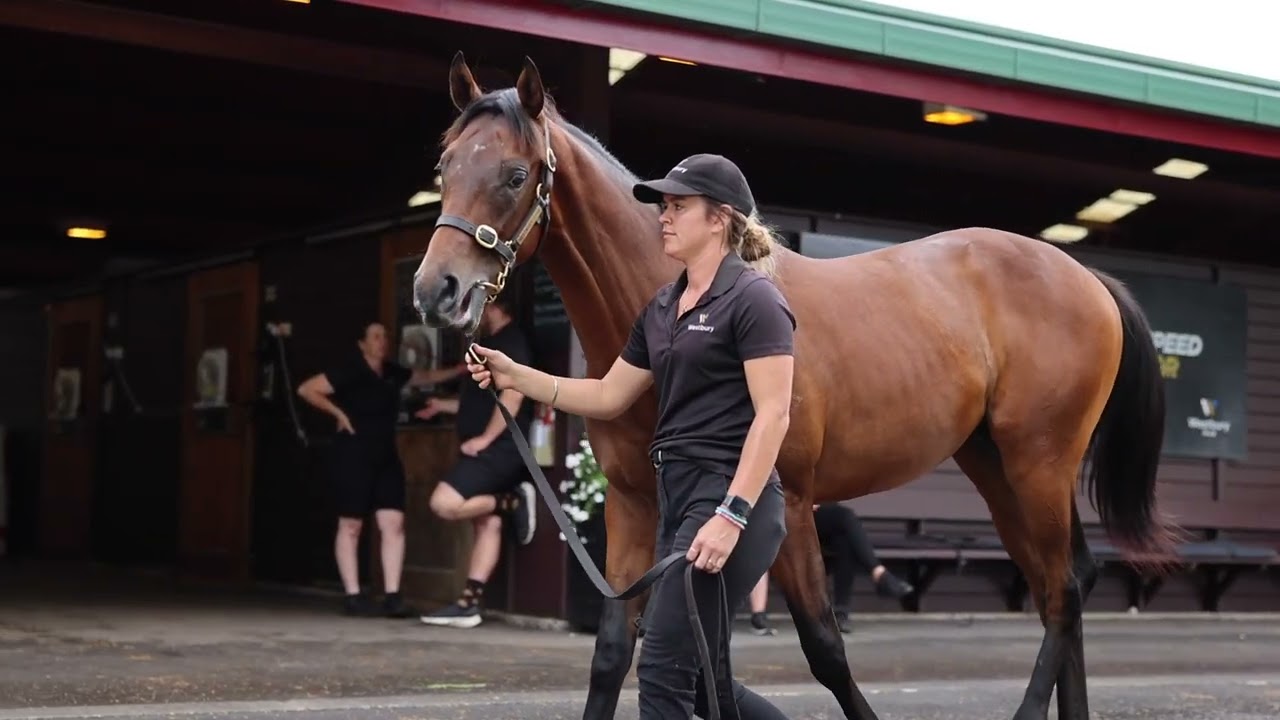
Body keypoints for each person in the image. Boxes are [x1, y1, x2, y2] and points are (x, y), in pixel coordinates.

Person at [465, 153, 793, 720]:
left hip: (731, 501)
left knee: (662, 668)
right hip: (677, 498)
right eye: (663, 206)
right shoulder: (663, 307)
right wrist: (515, 376)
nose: (663, 217)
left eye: (678, 206)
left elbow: (775, 415)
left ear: (719, 218)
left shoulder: (754, 299)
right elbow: (608, 394)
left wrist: (731, 514)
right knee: (703, 685)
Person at [298, 321, 467, 618]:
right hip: (353, 454)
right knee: (351, 525)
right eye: (375, 336)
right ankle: (352, 596)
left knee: (393, 523)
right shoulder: (349, 371)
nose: (382, 341)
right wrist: (338, 413)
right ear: (362, 344)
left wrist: (460, 370)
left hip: (386, 456)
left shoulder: (391, 372)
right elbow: (307, 389)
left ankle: (392, 596)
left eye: (385, 336)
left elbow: (424, 376)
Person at [416, 293, 538, 629]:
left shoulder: (511, 341)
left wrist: (485, 439)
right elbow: (477, 403)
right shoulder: (490, 342)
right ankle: (468, 604)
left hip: (498, 449)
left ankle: (511, 501)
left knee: (444, 503)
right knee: (487, 523)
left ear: (494, 304)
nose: (469, 313)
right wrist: (440, 407)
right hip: (489, 448)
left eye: (475, 304)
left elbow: (514, 394)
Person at [814, 502, 915, 633]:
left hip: (812, 512)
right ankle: (879, 574)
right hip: (793, 513)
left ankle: (841, 613)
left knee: (844, 542)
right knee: (845, 516)